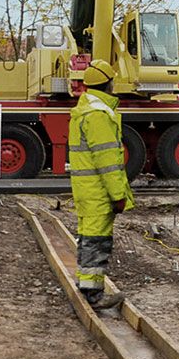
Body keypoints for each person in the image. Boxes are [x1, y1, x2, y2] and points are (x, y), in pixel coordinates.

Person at [68, 58, 134, 310]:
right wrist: (118, 195)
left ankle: (87, 286)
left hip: (85, 189)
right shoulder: (99, 115)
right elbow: (108, 162)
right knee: (97, 240)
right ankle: (94, 295)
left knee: (87, 237)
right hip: (98, 191)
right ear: (108, 84)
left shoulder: (83, 110)